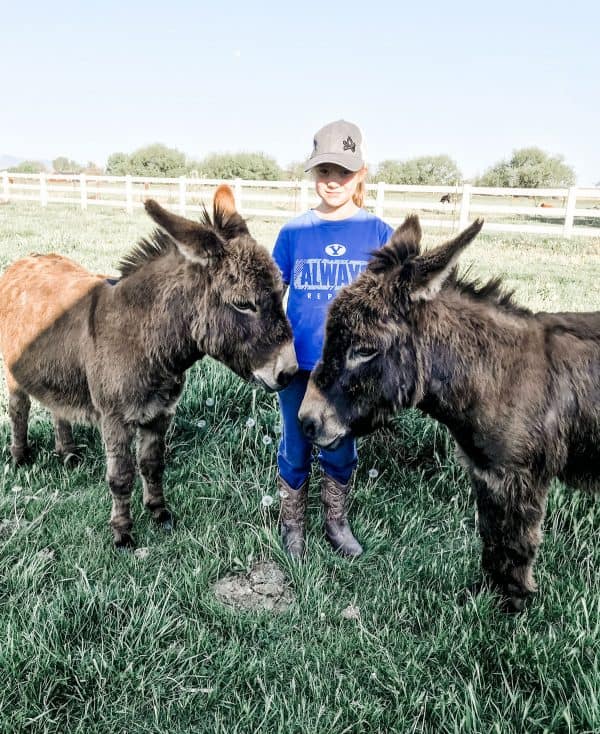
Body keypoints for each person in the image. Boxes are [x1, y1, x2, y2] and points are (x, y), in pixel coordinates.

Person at [272, 119, 394, 559]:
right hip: (300, 363)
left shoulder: (378, 234)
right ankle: (293, 526)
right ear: (313, 174)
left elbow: (395, 306)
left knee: (340, 445)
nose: (333, 181)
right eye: (324, 171)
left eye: (343, 172)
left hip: (346, 372)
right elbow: (272, 297)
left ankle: (336, 522)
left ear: (360, 174)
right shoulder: (294, 233)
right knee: (295, 442)